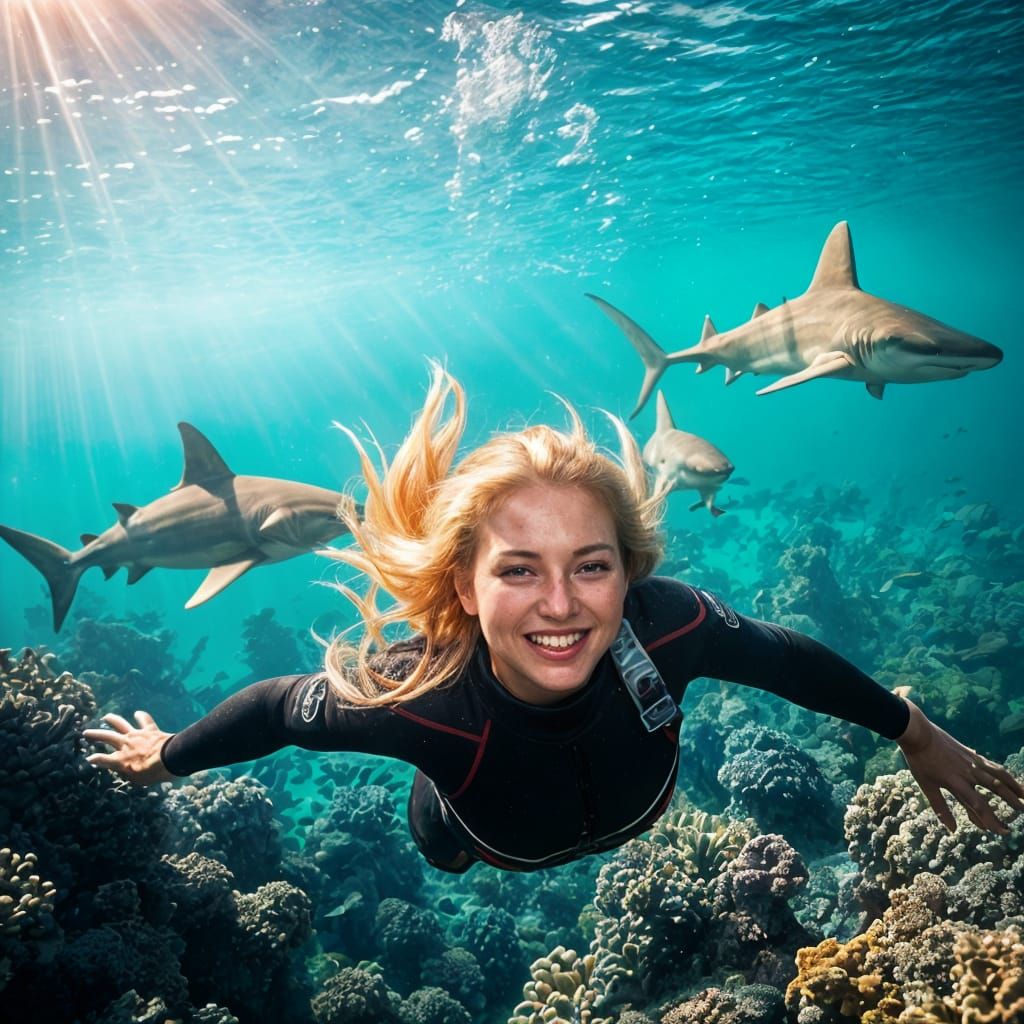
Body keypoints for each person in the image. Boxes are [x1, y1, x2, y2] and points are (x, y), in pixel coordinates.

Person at [83, 365, 1024, 873]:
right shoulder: (417, 694)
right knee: (443, 852)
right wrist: (166, 755)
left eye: (593, 566)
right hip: (484, 843)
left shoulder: (667, 625)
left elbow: (784, 658)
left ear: (630, 574)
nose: (564, 605)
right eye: (519, 570)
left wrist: (915, 729)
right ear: (461, 585)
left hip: (641, 814)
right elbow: (279, 708)